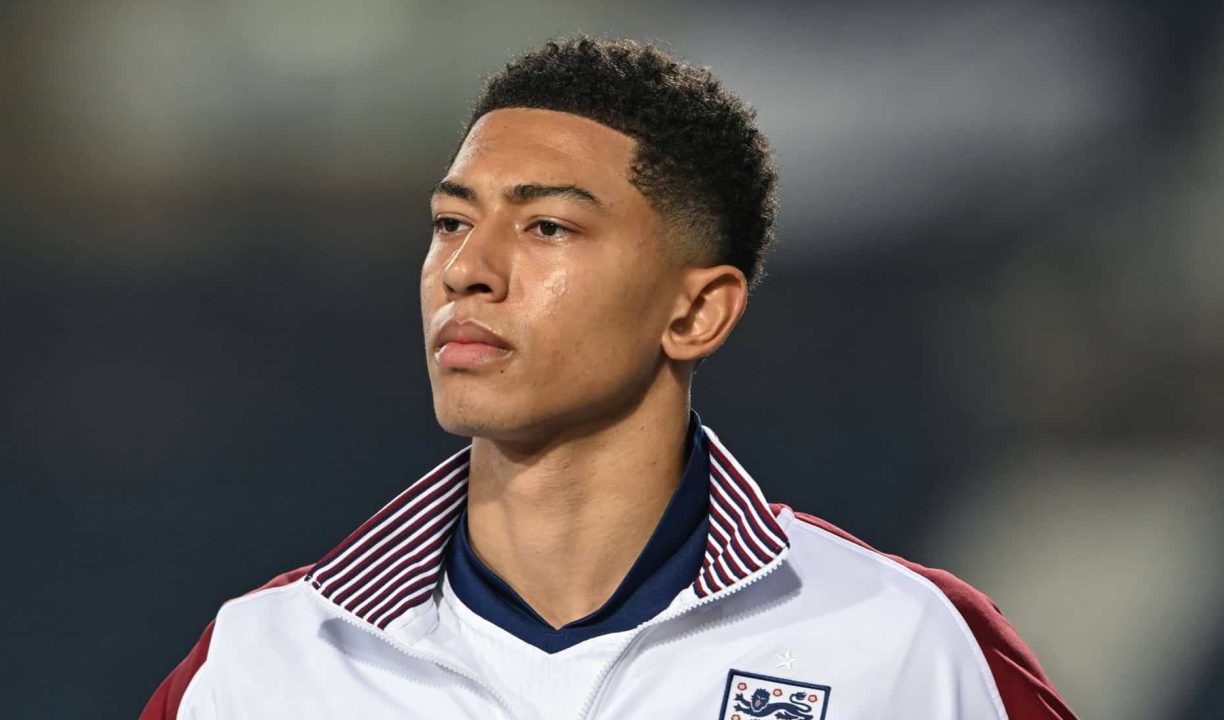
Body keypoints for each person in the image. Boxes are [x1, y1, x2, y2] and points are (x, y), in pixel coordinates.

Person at [142, 36, 1076, 720]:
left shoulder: (906, 640)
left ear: (697, 312)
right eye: (451, 222)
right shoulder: (262, 663)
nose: (468, 269)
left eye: (547, 227)